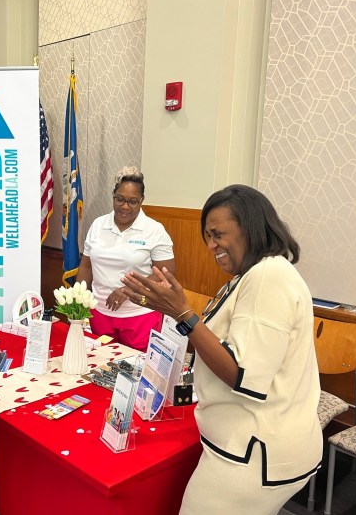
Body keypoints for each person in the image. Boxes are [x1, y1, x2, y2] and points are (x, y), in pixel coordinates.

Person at [122, 184, 322, 514]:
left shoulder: (268, 277)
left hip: (253, 452)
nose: (211, 246)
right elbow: (218, 344)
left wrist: (183, 314)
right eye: (207, 237)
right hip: (254, 442)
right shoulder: (251, 275)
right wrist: (171, 311)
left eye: (217, 234)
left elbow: (242, 374)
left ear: (250, 227)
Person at [76, 166, 175, 351]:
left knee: (136, 365)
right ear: (113, 196)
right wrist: (78, 300)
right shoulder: (98, 225)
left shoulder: (154, 230)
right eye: (120, 199)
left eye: (133, 201)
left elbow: (165, 273)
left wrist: (129, 290)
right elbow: (86, 266)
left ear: (141, 200)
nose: (125, 206)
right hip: (99, 313)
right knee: (98, 363)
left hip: (139, 315)